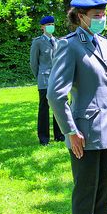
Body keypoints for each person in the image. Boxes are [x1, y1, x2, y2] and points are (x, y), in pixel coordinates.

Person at [47, 0, 107, 214]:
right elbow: (55, 95)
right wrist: (71, 131)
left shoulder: (103, 42)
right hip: (85, 133)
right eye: (96, 16)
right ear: (80, 17)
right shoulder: (69, 46)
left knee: (104, 190)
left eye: (103, 15)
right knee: (86, 192)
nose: (101, 20)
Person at [30, 15, 64, 145]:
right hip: (44, 80)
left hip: (58, 79)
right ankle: (44, 138)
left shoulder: (58, 41)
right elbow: (33, 63)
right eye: (48, 24)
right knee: (44, 109)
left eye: (52, 24)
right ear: (42, 27)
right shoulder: (37, 42)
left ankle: (59, 135)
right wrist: (39, 76)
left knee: (59, 107)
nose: (51, 26)